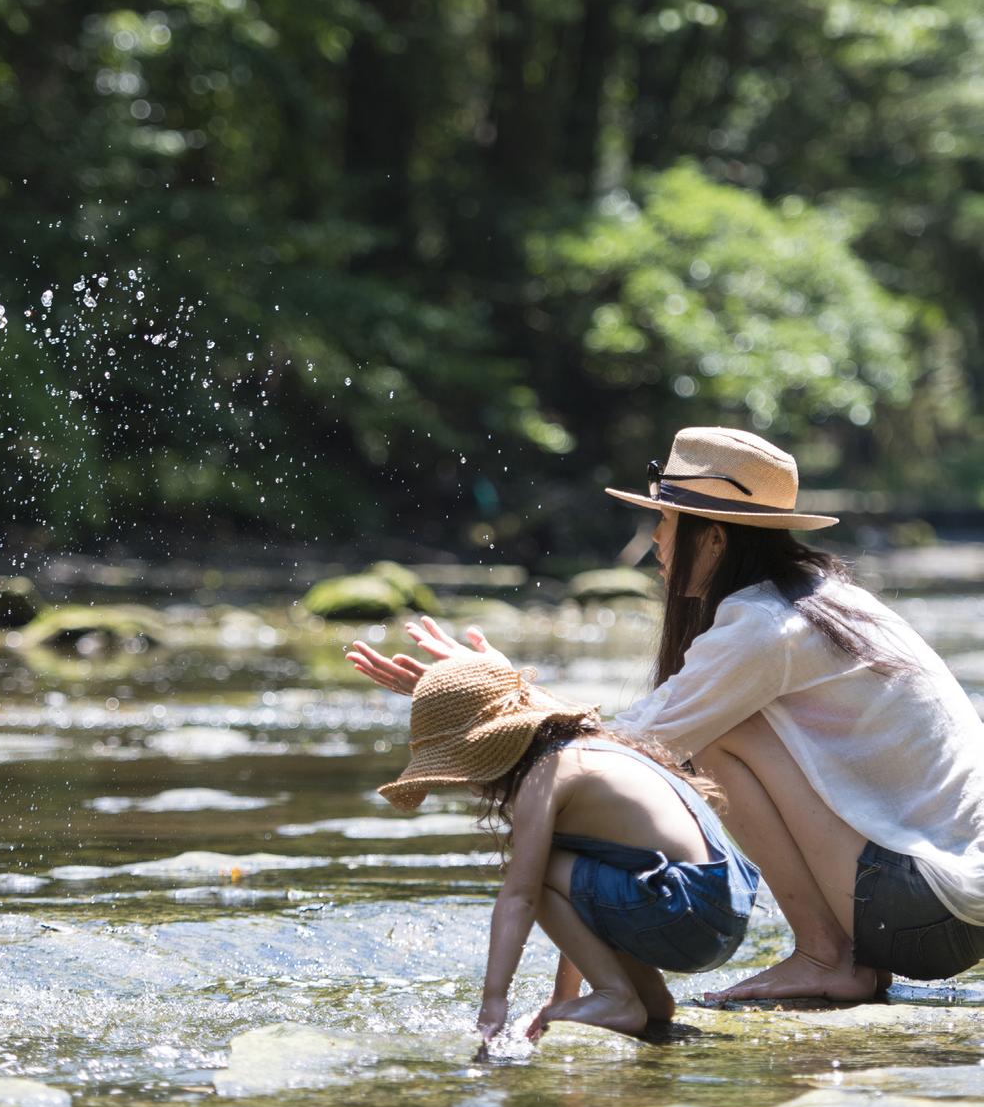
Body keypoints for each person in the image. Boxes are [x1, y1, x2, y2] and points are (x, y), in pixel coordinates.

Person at [348, 426, 984, 1004]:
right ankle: (836, 955)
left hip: (920, 908)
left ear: (711, 537)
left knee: (724, 735)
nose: (654, 538)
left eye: (666, 519)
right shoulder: (826, 602)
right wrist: (497, 690)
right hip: (945, 903)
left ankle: (826, 957)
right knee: (711, 731)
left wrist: (491, 698)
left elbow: (627, 748)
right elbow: (630, 736)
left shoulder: (764, 628)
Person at [376, 654, 758, 1045]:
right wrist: (564, 998)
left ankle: (616, 997)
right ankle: (644, 998)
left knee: (539, 873)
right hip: (722, 907)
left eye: (460, 767)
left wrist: (494, 1002)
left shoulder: (546, 776)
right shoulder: (589, 747)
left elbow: (521, 897)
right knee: (583, 872)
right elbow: (585, 899)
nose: (465, 783)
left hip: (687, 911)